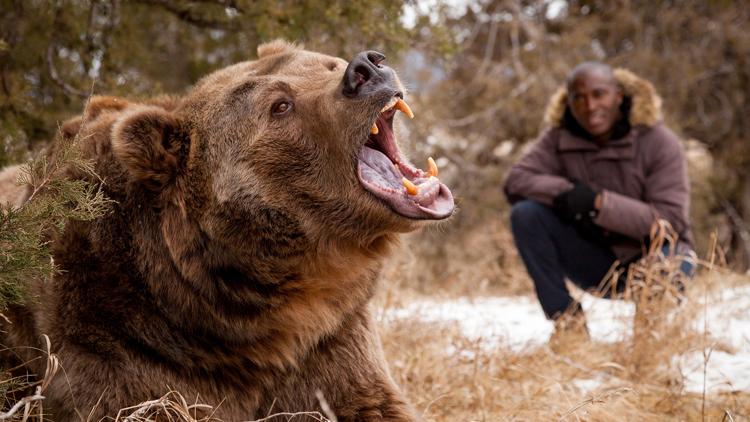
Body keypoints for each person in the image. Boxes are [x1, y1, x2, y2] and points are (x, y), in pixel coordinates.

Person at [503, 62, 694, 341]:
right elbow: (516, 180)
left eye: (599, 94)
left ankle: (647, 343)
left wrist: (598, 203)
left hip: (657, 260)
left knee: (669, 260)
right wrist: (567, 193)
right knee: (526, 214)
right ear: (568, 102)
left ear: (618, 96)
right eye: (578, 97)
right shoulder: (558, 137)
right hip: (596, 262)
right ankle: (568, 325)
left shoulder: (659, 141)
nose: (590, 106)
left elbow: (670, 220)